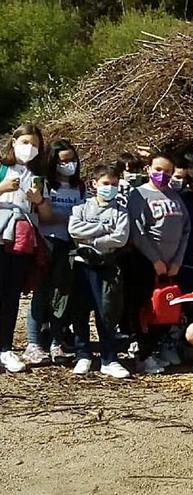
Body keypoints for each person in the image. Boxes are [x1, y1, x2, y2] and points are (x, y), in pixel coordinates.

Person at [22, 140, 86, 365]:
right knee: (41, 293)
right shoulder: (44, 184)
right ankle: (33, 342)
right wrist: (73, 218)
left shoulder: (80, 187)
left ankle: (57, 341)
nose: (68, 164)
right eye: (63, 161)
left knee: (63, 294)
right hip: (46, 243)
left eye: (72, 159)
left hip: (70, 245)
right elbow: (44, 216)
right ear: (53, 162)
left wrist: (72, 220)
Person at [127, 153, 191, 374]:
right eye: (157, 169)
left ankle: (154, 350)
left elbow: (185, 230)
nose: (161, 175)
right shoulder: (139, 195)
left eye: (167, 171)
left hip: (171, 265)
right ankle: (142, 355)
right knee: (144, 311)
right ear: (148, 169)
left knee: (164, 310)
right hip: (146, 263)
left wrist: (177, 262)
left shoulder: (175, 196)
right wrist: (155, 260)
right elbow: (137, 231)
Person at [66, 164, 131, 378]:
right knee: (80, 311)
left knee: (107, 312)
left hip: (107, 266)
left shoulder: (121, 210)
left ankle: (109, 358)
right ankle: (83, 354)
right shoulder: (81, 207)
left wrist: (91, 239)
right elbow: (74, 230)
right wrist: (103, 230)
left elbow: (120, 238)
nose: (109, 188)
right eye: (105, 184)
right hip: (82, 265)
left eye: (114, 184)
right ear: (94, 184)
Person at [0, 123, 52, 373]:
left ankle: (6, 348)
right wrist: (2, 188)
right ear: (13, 142)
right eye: (25, 143)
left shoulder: (38, 177)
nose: (29, 148)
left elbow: (47, 215)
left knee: (11, 295)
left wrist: (38, 200)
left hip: (22, 241)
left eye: (34, 144)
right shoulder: (2, 169)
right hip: (1, 236)